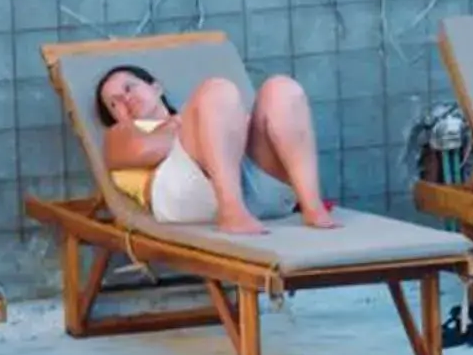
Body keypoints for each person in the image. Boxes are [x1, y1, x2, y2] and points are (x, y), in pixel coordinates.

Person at [97, 60, 339, 238]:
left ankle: (312, 206)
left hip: (259, 190)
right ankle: (231, 210)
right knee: (216, 90)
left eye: (129, 88)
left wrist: (226, 130)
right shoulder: (120, 133)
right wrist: (191, 126)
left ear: (156, 88)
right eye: (114, 103)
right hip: (186, 196)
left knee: (281, 89)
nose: (125, 100)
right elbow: (143, 151)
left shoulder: (197, 115)